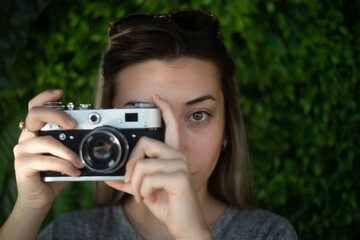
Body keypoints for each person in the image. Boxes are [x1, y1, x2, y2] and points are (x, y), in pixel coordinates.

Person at [0, 9, 298, 240]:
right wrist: (28, 212)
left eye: (198, 115)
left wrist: (192, 234)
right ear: (104, 126)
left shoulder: (268, 233)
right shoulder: (70, 234)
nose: (173, 147)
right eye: (145, 119)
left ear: (227, 130)